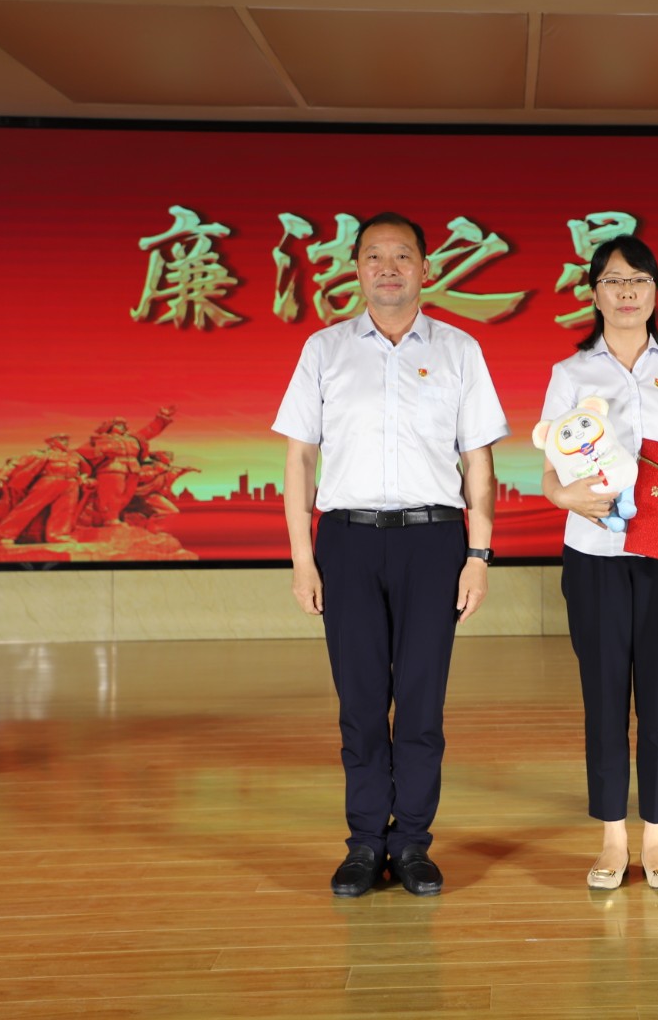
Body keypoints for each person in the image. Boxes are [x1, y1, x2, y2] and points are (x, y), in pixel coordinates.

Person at [274, 212, 508, 899]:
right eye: (373, 256)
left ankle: (411, 844)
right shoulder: (324, 350)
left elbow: (479, 462)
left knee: (422, 703)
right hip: (346, 542)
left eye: (402, 255)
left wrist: (478, 553)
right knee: (360, 702)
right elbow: (299, 458)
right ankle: (363, 842)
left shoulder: (460, 350)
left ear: (425, 268)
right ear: (355, 269)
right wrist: (302, 558)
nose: (387, 268)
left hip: (433, 542)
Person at [539, 234, 658, 891]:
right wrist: (564, 497)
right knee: (605, 697)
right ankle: (613, 837)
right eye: (614, 281)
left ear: (655, 292)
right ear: (594, 293)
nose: (626, 292)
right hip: (594, 556)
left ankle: (657, 836)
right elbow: (551, 470)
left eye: (638, 280)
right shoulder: (571, 374)